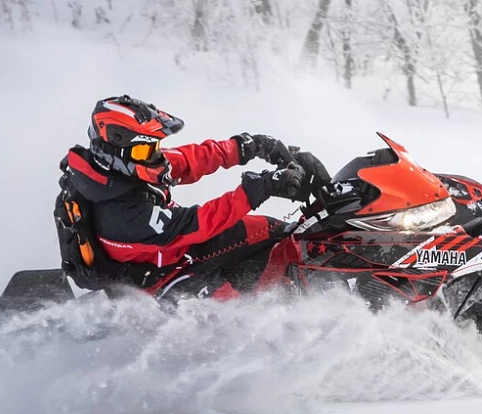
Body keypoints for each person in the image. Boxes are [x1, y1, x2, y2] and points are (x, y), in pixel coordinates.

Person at [56, 94, 329, 299]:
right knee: (269, 247)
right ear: (115, 150)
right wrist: (263, 187)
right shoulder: (119, 213)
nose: (153, 156)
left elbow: (188, 160)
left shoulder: (111, 172)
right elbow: (197, 223)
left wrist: (250, 146)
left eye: (154, 148)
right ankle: (279, 317)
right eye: (143, 151)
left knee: (274, 231)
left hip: (173, 254)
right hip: (166, 286)